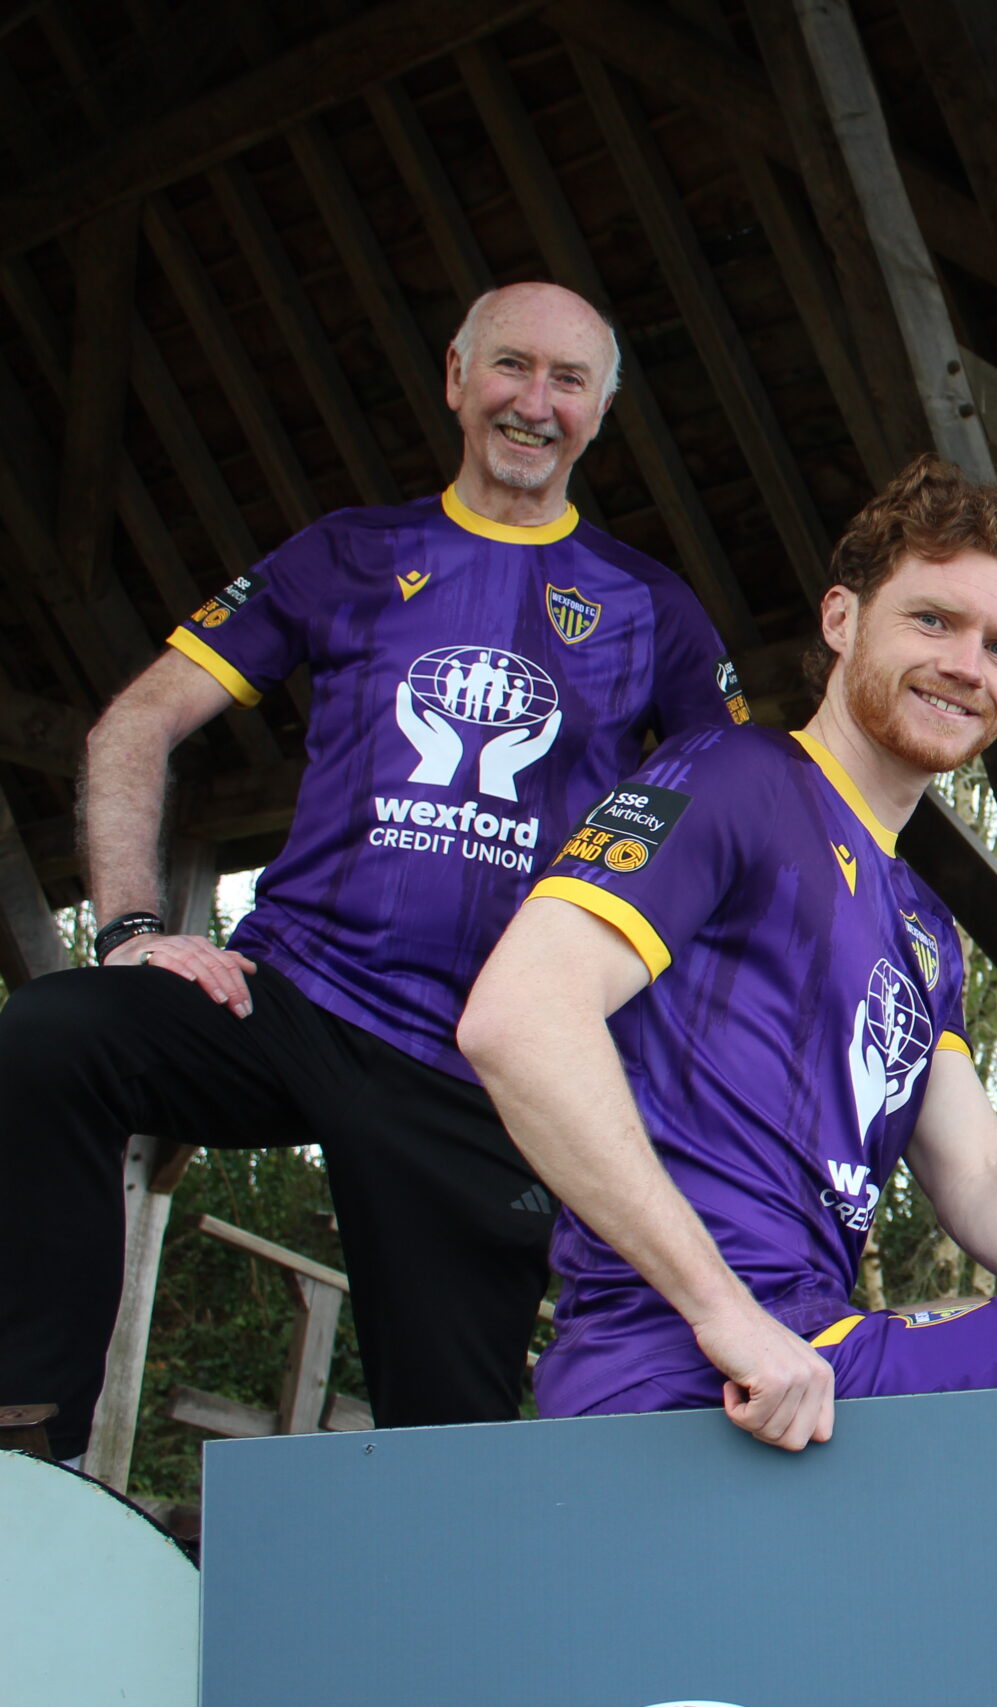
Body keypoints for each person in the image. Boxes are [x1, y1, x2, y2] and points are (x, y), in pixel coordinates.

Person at [0, 282, 747, 1463]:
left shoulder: (651, 606)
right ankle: (26, 1444)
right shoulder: (350, 551)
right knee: (52, 1037)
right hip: (291, 998)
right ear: (456, 378)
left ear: (602, 411)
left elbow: (739, 823)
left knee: (447, 1457)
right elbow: (134, 724)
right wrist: (134, 926)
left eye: (568, 381)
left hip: (481, 1065)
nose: (534, 402)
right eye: (510, 366)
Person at [458, 458, 997, 1448]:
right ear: (841, 619)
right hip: (691, 1371)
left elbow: (980, 1173)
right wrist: (724, 1312)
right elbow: (519, 1018)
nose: (967, 666)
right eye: (933, 620)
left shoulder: (923, 925)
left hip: (817, 1352)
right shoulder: (734, 774)